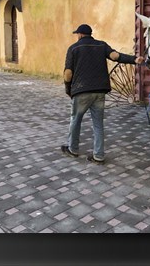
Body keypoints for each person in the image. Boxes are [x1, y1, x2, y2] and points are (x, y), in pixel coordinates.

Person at [62, 23, 145, 164]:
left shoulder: (73, 48)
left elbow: (68, 74)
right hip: (100, 91)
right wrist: (134, 59)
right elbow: (115, 56)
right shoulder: (101, 46)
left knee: (75, 120)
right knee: (98, 124)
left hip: (81, 90)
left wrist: (68, 88)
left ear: (80, 35)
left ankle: (73, 149)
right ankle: (98, 156)